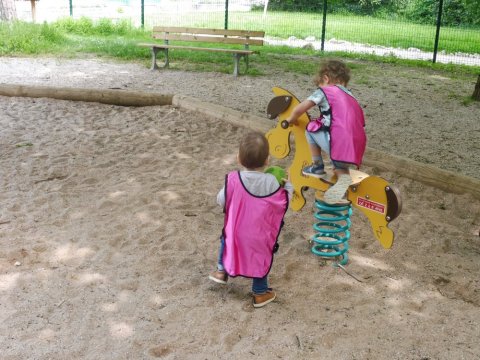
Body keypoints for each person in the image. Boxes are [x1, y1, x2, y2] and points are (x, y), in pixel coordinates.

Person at [209, 132, 293, 308]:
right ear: (267, 161)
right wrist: (288, 185)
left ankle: (220, 271)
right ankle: (260, 293)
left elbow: (220, 200)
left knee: (227, 239)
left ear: (238, 158)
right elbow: (284, 202)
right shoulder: (272, 181)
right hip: (260, 235)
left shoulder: (233, 179)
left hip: (236, 231)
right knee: (260, 257)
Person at [284, 59, 366, 204]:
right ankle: (340, 191)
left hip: (338, 141)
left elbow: (300, 109)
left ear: (326, 79)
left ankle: (317, 167)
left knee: (311, 128)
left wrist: (292, 118)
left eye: (320, 83)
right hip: (355, 144)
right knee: (340, 167)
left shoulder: (324, 91)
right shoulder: (350, 95)